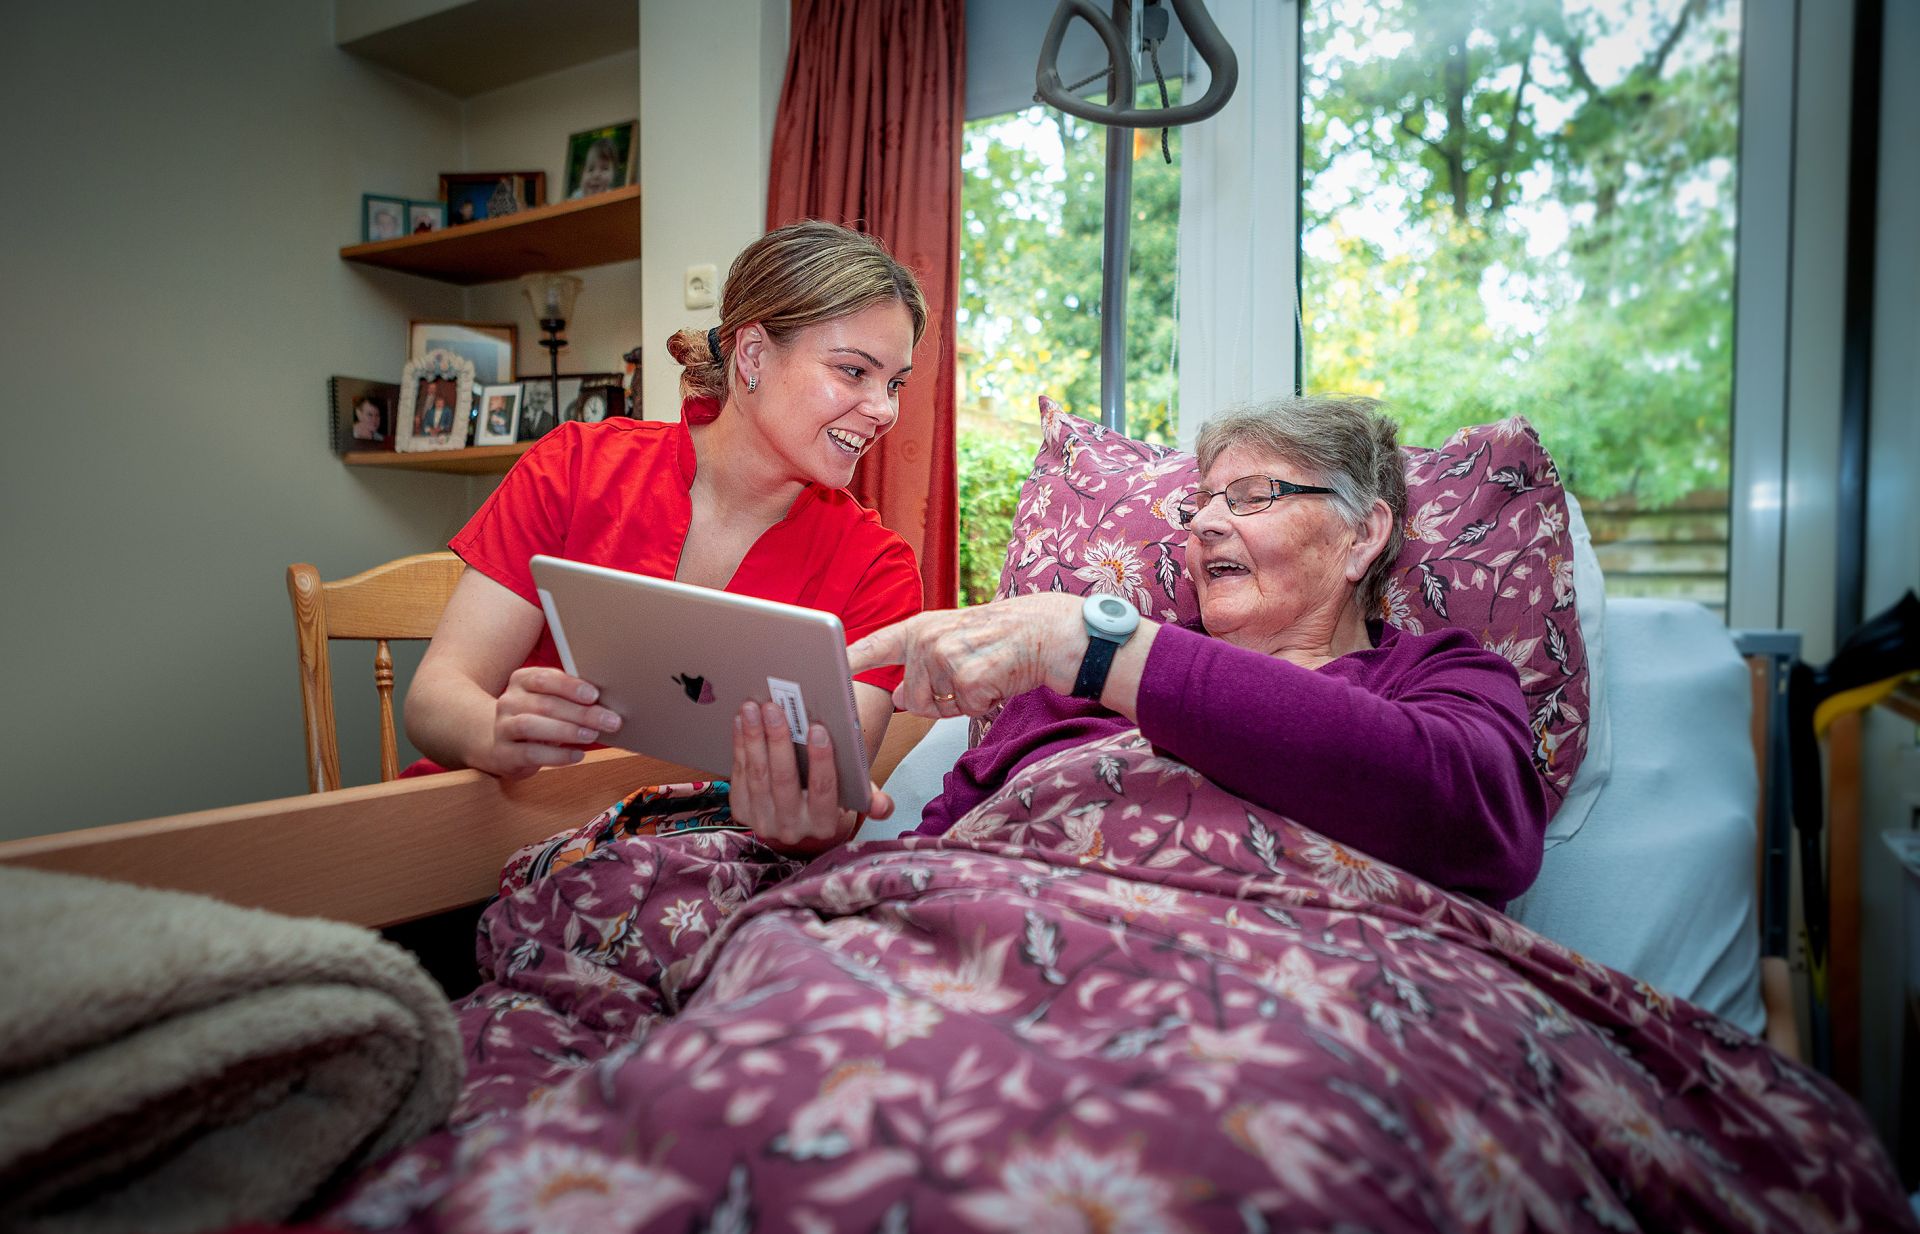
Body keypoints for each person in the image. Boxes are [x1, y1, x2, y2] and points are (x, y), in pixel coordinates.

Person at [849, 396, 1551, 907]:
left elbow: (1485, 828)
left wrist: (1101, 650)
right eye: (1203, 504)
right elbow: (922, 860)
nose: (1206, 524)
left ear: (1362, 535)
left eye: (1253, 496)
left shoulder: (1440, 676)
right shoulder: (1064, 684)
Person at [406, 220, 928, 853]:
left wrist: (811, 826)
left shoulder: (878, 569)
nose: (884, 410)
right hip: (474, 846)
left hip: (689, 874)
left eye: (894, 383)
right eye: (853, 372)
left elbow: (833, 812)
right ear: (753, 354)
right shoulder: (576, 467)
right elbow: (435, 699)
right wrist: (493, 730)